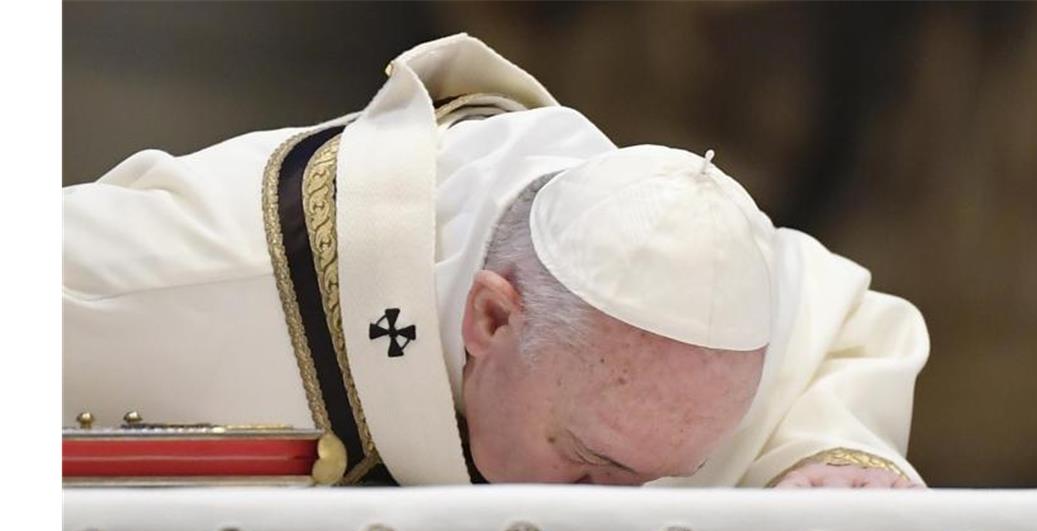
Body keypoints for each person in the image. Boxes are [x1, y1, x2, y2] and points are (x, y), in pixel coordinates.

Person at [63, 34, 929, 489]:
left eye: (671, 476)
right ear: (491, 317)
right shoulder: (193, 273)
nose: (618, 519)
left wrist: (834, 455)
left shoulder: (692, 312)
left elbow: (844, 332)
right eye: (594, 463)